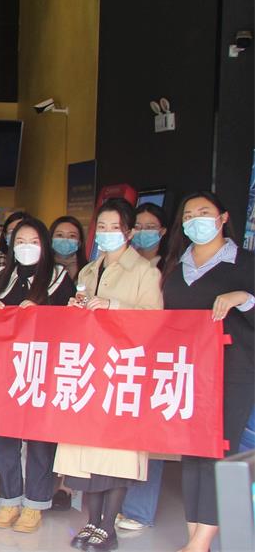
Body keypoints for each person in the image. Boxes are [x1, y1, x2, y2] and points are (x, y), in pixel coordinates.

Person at [54, 198, 162, 552]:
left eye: (114, 227)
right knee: (87, 452)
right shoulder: (88, 271)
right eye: (101, 227)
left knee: (116, 453)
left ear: (128, 232)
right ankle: (92, 521)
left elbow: (154, 319)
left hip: (123, 368)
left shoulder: (144, 272)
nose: (107, 233)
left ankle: (108, 526)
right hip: (90, 367)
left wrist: (114, 307)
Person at [160, 192, 253, 552]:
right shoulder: (176, 267)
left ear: (223, 217)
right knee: (192, 451)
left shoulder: (245, 263)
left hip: (234, 372)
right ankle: (194, 536)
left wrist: (244, 298)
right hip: (188, 371)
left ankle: (202, 542)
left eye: (203, 212)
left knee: (220, 451)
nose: (195, 220)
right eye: (188, 215)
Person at [0, 217, 74, 533]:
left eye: (33, 242)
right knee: (3, 439)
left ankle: (35, 504)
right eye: (20, 241)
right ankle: (10, 500)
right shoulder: (0, 276)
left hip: (42, 368)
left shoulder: (59, 278)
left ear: (44, 245)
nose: (26, 247)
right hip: (5, 369)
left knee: (39, 441)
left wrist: (40, 313)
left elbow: (71, 323)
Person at [115, 202, 173, 532]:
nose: (142, 233)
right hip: (121, 358)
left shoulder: (169, 268)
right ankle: (113, 503)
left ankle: (138, 509)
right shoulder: (118, 265)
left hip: (156, 356)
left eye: (151, 227)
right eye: (138, 226)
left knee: (150, 435)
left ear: (163, 232)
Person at [51, 216, 86, 281]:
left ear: (79, 242)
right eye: (59, 235)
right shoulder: (40, 267)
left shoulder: (88, 269)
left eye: (72, 236)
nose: (65, 239)